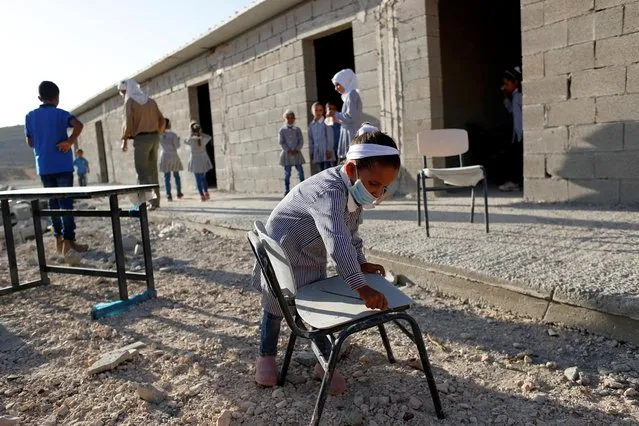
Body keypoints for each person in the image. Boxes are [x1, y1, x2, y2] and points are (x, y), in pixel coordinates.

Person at [252, 126, 400, 396]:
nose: (378, 194)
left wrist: (361, 262)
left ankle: (324, 364)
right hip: (284, 252)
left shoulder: (352, 192)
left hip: (309, 254)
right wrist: (361, 286)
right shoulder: (329, 192)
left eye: (385, 187)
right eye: (374, 184)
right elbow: (337, 240)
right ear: (353, 169)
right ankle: (267, 356)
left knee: (316, 309)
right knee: (276, 307)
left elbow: (351, 233)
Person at [24, 81, 88, 265]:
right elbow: (79, 125)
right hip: (63, 165)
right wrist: (69, 141)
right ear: (57, 98)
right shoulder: (61, 114)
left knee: (53, 203)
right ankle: (68, 242)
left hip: (44, 166)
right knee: (66, 203)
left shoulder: (30, 116)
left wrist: (43, 142)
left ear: (39, 98)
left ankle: (60, 241)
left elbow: (30, 142)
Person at [118, 79, 165, 209]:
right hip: (155, 137)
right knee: (153, 171)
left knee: (142, 172)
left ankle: (145, 203)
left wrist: (124, 139)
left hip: (141, 139)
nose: (122, 94)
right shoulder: (151, 101)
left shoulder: (130, 101)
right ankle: (156, 202)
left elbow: (127, 122)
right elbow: (162, 119)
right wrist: (157, 132)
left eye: (122, 92)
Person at [327, 69, 363, 162]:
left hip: (351, 134)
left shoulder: (352, 94)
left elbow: (351, 117)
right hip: (348, 132)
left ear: (345, 81)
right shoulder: (348, 96)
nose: (336, 88)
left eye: (338, 84)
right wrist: (337, 119)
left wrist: (335, 114)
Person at [499, 67, 523, 192]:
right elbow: (511, 110)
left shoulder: (519, 96)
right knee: (514, 157)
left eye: (507, 84)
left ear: (515, 83)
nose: (505, 86)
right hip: (517, 134)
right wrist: (505, 96)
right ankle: (515, 182)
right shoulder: (514, 97)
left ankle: (515, 182)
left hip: (521, 133)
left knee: (516, 158)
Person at [184, 122, 213, 202]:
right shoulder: (203, 138)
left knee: (198, 179)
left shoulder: (191, 140)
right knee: (204, 178)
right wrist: (201, 134)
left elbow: (185, 140)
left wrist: (191, 134)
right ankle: (206, 192)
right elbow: (209, 137)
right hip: (203, 159)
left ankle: (202, 196)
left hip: (195, 160)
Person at [279, 110, 305, 196]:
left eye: (291, 118)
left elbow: (301, 140)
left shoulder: (297, 130)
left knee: (300, 172)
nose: (289, 119)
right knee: (287, 173)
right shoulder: (282, 130)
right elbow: (281, 142)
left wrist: (297, 149)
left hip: (297, 153)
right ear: (284, 119)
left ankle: (303, 188)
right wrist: (288, 150)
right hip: (287, 154)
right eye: (287, 118)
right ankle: (287, 190)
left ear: (294, 119)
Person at [159, 118, 184, 202]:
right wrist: (178, 140)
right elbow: (177, 146)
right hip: (173, 155)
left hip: (165, 155)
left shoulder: (159, 134)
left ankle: (168, 195)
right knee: (176, 175)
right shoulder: (173, 134)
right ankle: (179, 193)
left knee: (166, 177)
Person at [308, 102, 335, 172]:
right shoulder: (311, 125)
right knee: (320, 171)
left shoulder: (326, 122)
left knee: (327, 171)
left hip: (326, 151)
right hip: (317, 152)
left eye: (320, 110)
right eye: (316, 110)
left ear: (323, 111)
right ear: (312, 111)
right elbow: (310, 140)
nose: (318, 112)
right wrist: (311, 152)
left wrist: (329, 150)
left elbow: (330, 137)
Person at [325, 101, 342, 165]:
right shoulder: (325, 122)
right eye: (330, 109)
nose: (331, 111)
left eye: (333, 109)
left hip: (340, 148)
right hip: (331, 149)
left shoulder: (341, 121)